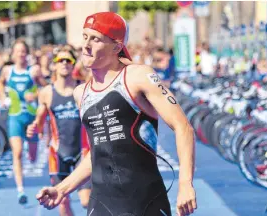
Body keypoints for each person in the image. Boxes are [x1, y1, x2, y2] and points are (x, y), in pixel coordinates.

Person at [36, 12, 197, 216]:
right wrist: (62, 189)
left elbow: (183, 127)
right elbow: (98, 153)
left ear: (117, 46)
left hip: (144, 202)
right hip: (101, 203)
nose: (86, 45)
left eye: (95, 39)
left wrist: (185, 184)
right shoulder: (81, 93)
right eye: (85, 36)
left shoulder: (138, 77)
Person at [26, 47, 91, 216]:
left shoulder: (82, 89)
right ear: (53, 65)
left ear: (73, 65)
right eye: (60, 60)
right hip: (58, 153)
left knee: (86, 201)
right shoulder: (47, 92)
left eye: (68, 60)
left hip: (82, 152)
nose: (64, 63)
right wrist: (34, 128)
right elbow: (39, 122)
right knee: (62, 202)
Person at [0, 39, 47, 204]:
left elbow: (46, 88)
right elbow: (0, 83)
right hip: (15, 117)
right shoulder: (7, 70)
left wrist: (36, 94)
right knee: (17, 153)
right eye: (17, 51)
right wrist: (3, 97)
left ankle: (31, 153)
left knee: (32, 157)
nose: (20, 54)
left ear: (27, 53)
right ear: (13, 53)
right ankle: (20, 190)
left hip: (31, 119)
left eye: (23, 51)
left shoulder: (33, 71)